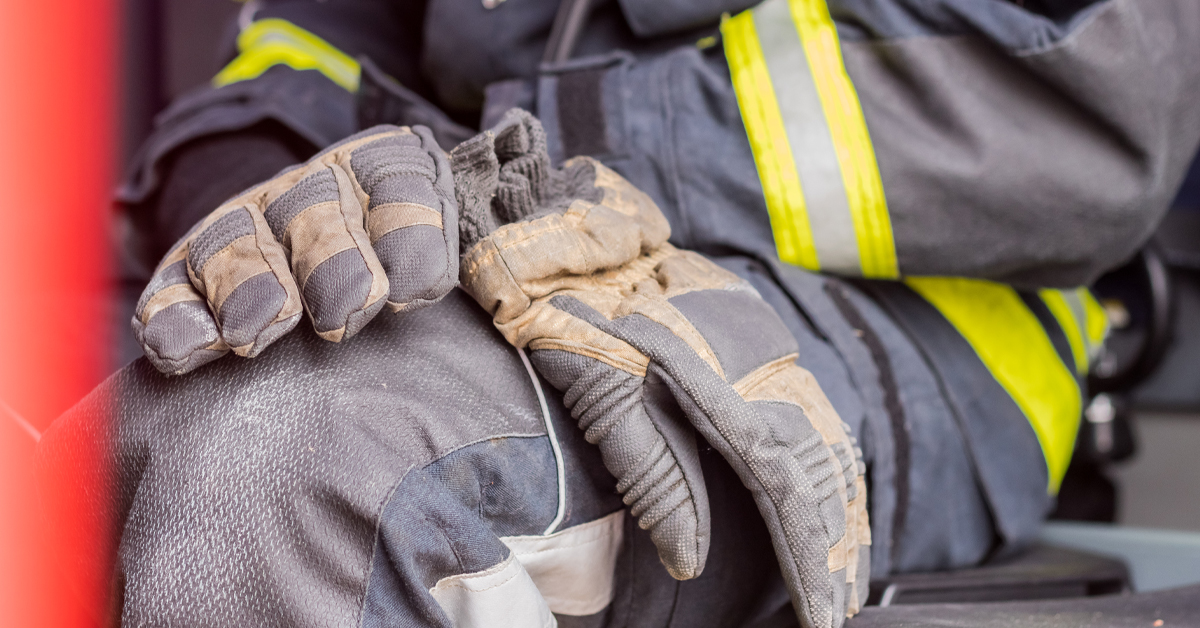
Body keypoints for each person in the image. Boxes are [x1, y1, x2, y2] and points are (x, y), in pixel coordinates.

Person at [41, 0, 1200, 626]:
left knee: (294, 470)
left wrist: (522, 171)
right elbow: (324, 34)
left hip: (920, 322)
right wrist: (258, 188)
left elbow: (1086, 94)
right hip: (467, 241)